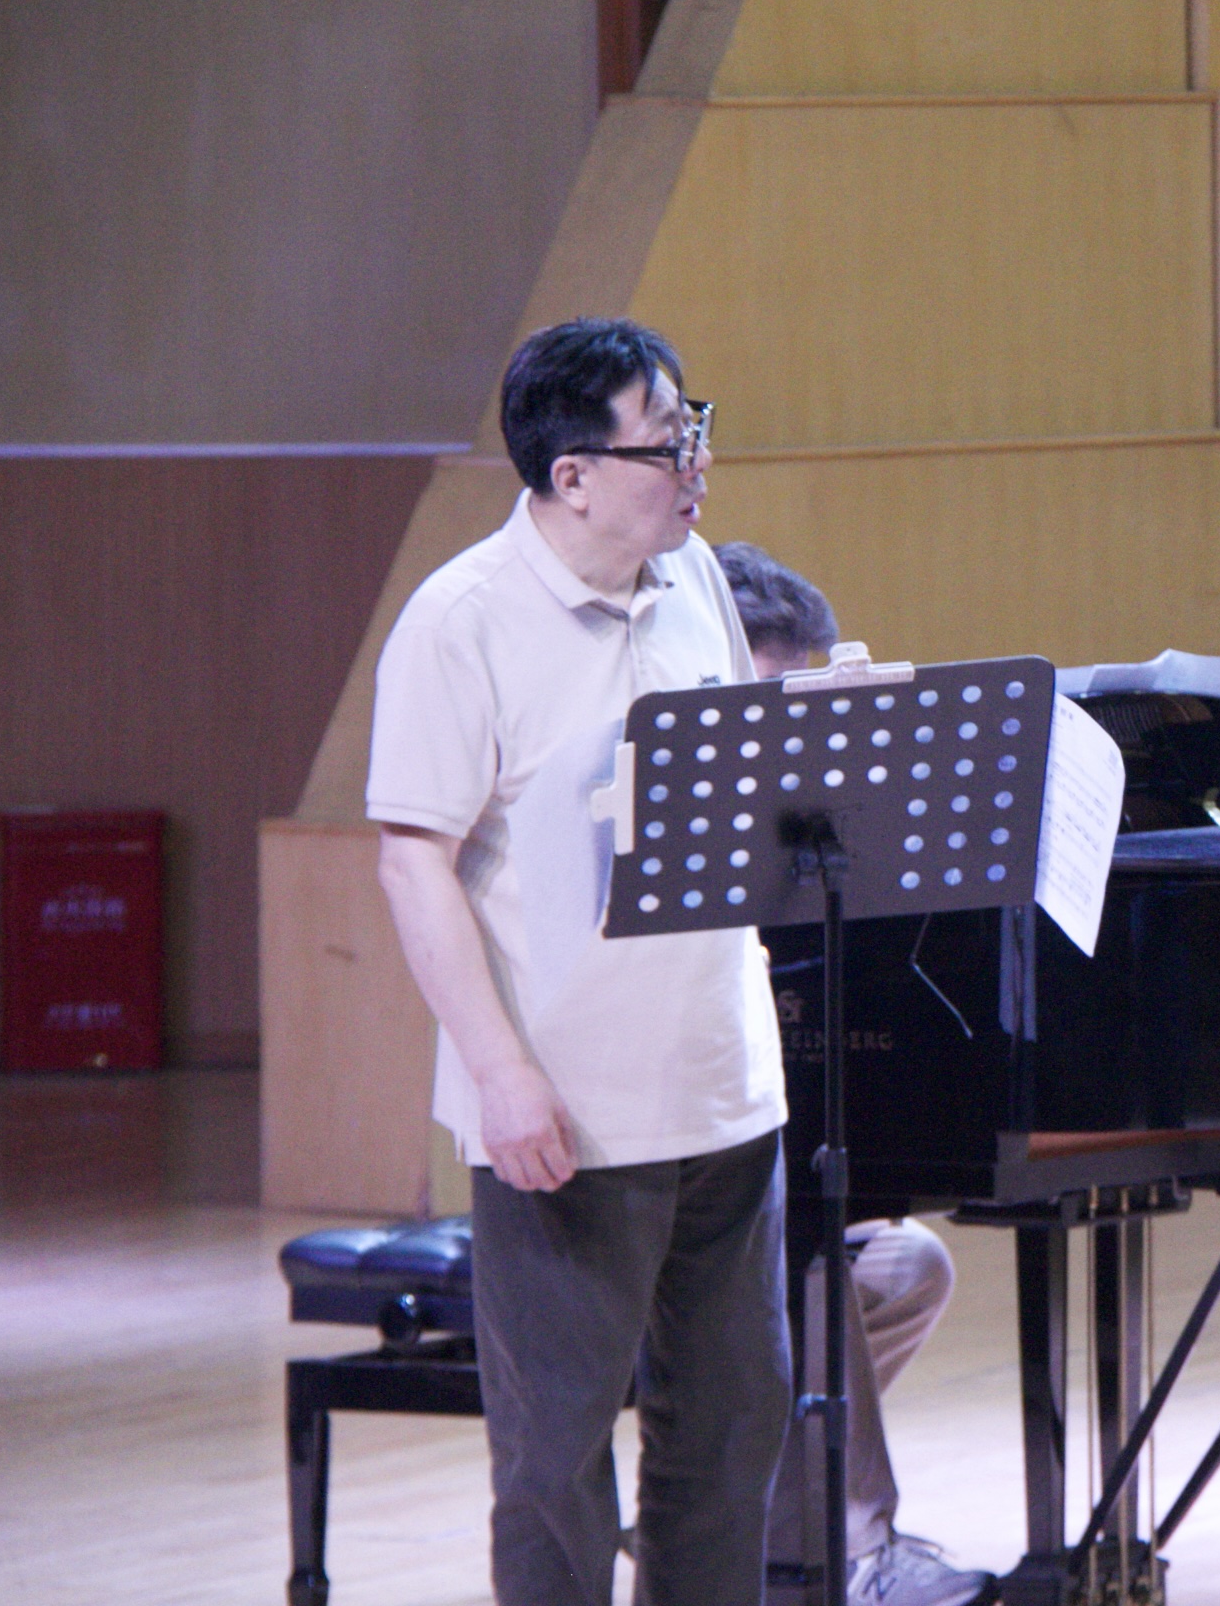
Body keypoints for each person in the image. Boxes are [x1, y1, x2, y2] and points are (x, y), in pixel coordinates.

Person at [370, 317, 789, 1604]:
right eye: (668, 440)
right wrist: (502, 1077)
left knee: (732, 1435)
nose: (696, 461)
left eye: (694, 426)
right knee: (556, 1462)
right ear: (574, 475)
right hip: (563, 1108)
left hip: (722, 1089)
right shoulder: (461, 620)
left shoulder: (696, 578)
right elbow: (413, 862)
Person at [714, 539, 991, 1606]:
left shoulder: (818, 853)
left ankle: (743, 1510)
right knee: (812, 1265)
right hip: (655, 1188)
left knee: (903, 1262)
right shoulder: (675, 821)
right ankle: (851, 1551)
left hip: (754, 1189)